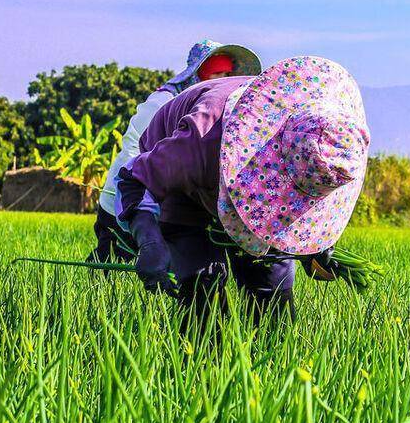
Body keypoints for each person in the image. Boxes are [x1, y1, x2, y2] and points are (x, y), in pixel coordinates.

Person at [112, 56, 370, 327]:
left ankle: (271, 364)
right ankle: (204, 364)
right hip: (185, 192)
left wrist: (315, 246)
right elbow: (134, 179)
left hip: (247, 180)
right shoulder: (198, 140)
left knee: (274, 302)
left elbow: (309, 187)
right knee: (203, 291)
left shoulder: (334, 146)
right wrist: (150, 241)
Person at [89, 40, 262, 262]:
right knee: (112, 259)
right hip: (127, 194)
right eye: (215, 74)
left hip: (168, 193)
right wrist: (135, 192)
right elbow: (135, 148)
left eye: (227, 73)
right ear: (198, 74)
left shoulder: (220, 110)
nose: (222, 80)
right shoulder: (164, 100)